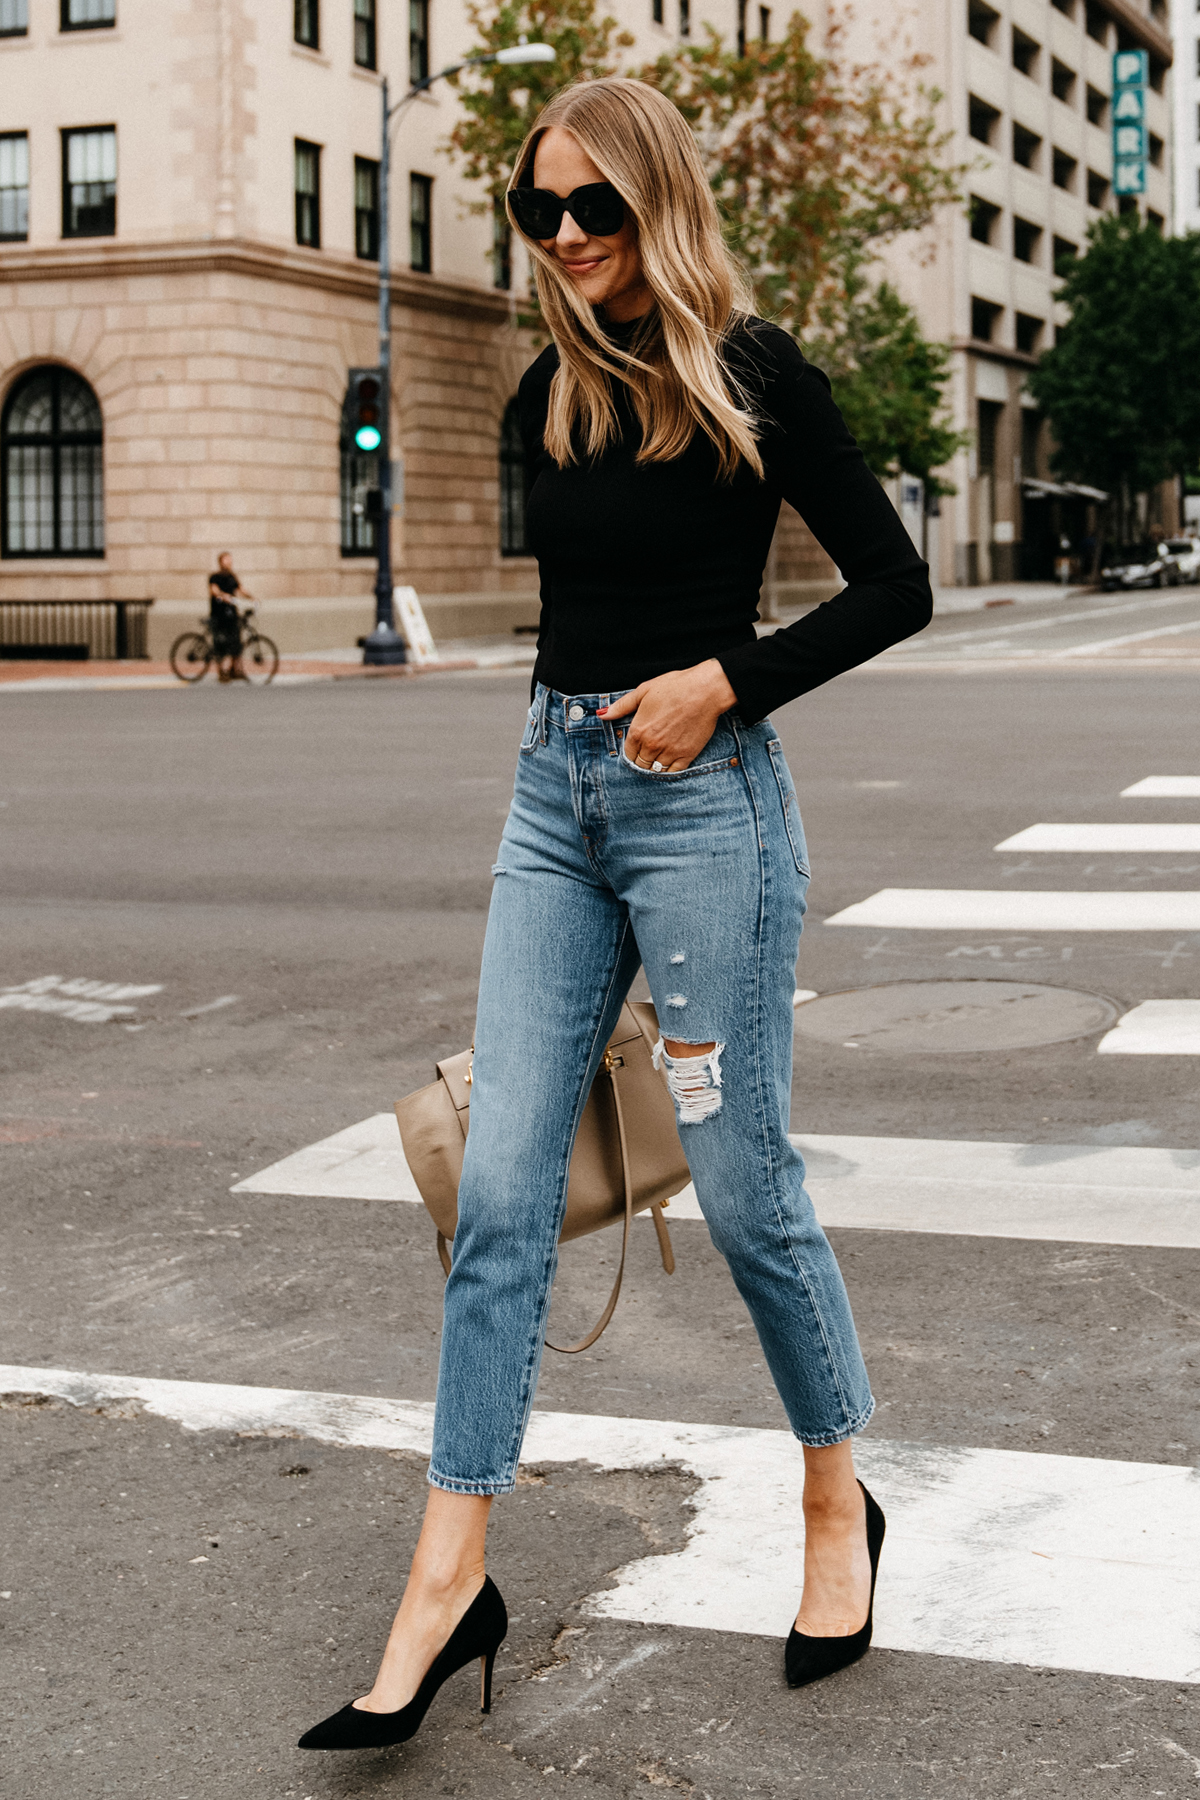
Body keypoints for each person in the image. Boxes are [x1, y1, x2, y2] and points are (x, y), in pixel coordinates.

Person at [299, 76, 931, 1754]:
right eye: (541, 212)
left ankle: (832, 1501)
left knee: (741, 1185)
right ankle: (449, 1578)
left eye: (596, 206)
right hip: (553, 798)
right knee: (500, 1188)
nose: (570, 238)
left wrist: (724, 679)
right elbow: (580, 604)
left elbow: (896, 585)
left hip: (706, 812)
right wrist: (589, 728)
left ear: (657, 196)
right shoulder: (551, 389)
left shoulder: (758, 373)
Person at [207, 551, 252, 681]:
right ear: (220, 562)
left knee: (236, 641)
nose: (228, 562)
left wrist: (252, 598)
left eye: (229, 560)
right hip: (218, 614)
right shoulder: (215, 577)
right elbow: (214, 590)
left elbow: (241, 589)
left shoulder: (232, 577)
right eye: (226, 560)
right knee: (220, 642)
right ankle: (221, 671)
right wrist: (223, 595)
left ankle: (234, 669)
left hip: (231, 614)